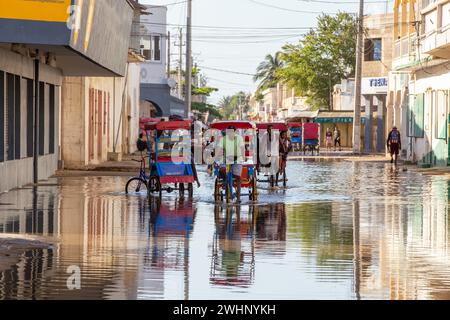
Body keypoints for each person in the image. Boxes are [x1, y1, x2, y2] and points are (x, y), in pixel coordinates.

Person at [218, 126, 245, 202]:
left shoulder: (239, 138)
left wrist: (243, 156)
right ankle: (224, 181)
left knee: (238, 177)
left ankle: (238, 197)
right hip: (226, 159)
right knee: (222, 170)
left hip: (237, 159)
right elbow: (219, 149)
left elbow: (242, 148)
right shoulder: (223, 139)